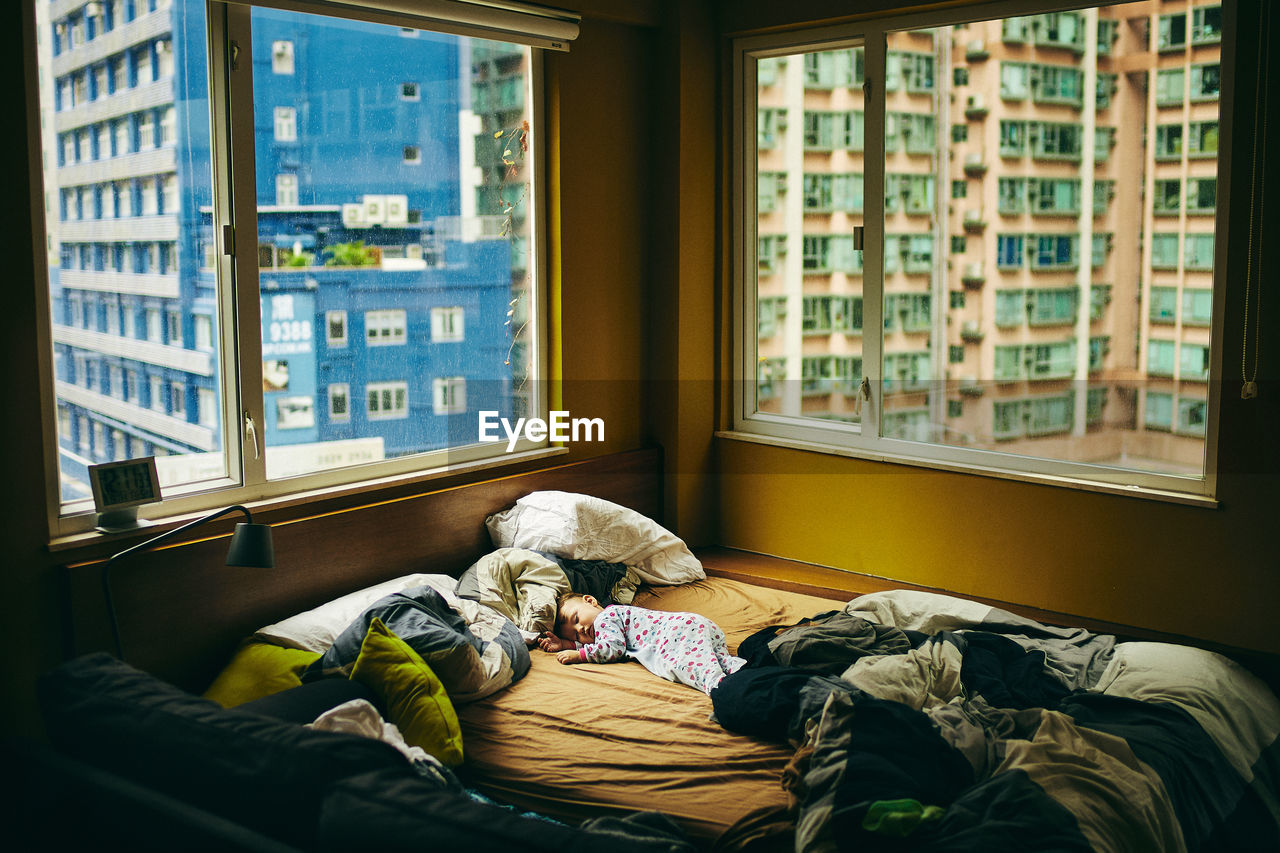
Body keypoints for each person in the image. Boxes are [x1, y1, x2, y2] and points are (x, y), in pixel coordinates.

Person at [537, 593, 745, 695]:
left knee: (686, 665)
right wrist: (566, 643)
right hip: (693, 624)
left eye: (576, 619)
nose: (580, 630)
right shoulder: (611, 622)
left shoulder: (606, 617)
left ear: (590, 601)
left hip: (676, 632)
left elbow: (612, 648)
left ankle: (720, 690)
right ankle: (744, 670)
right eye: (575, 636)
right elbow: (606, 642)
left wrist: (578, 654)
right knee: (718, 661)